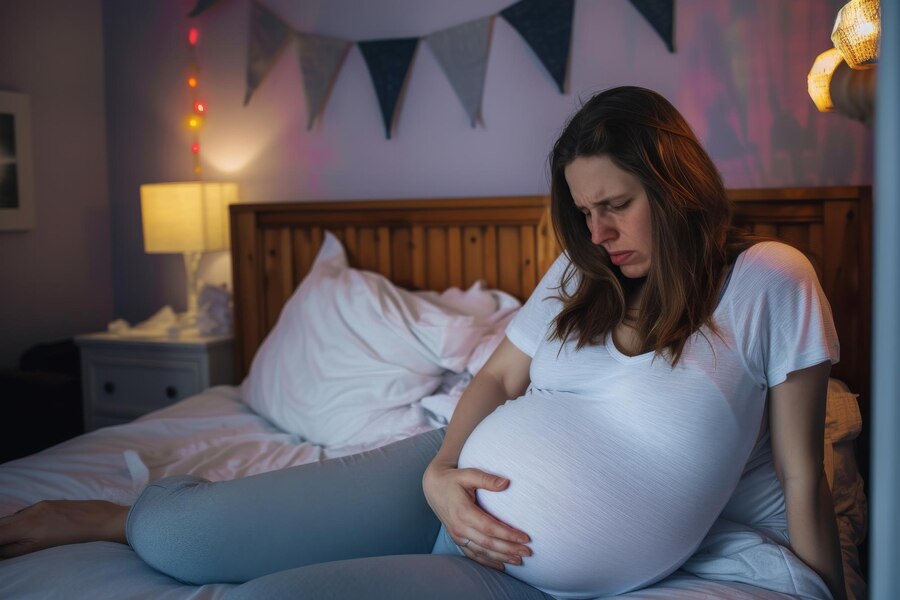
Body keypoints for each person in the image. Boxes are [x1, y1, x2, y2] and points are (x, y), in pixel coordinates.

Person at [0, 87, 846, 600]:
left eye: (617, 204)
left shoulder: (771, 279)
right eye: (583, 212)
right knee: (177, 545)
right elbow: (495, 376)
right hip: (431, 484)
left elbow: (805, 473)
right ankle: (121, 516)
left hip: (507, 576)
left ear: (675, 183)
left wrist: (834, 590)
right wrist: (442, 472)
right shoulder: (580, 274)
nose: (599, 230)